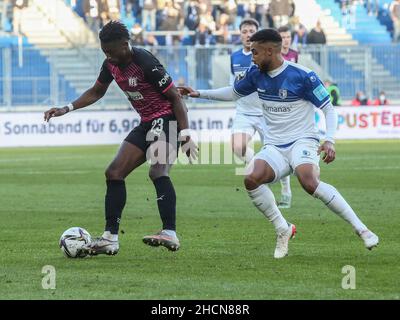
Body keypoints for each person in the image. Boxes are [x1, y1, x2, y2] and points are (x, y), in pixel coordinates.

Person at [179, 29, 379, 259]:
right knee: (251, 178)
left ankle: (361, 228)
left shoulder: (303, 76)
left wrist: (330, 140)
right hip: (275, 145)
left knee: (308, 180)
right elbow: (233, 93)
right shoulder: (255, 74)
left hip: (303, 139)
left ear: (269, 51)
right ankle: (283, 228)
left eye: (254, 52)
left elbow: (328, 109)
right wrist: (198, 93)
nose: (251, 56)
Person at [44, 21, 197, 255]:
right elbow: (96, 91)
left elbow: (176, 98)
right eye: (104, 52)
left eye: (111, 51)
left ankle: (170, 233)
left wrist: (185, 135)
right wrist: (66, 108)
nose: (108, 56)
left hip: (167, 120)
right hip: (146, 122)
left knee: (157, 171)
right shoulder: (110, 64)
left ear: (125, 45)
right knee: (114, 173)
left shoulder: (145, 62)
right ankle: (110, 238)